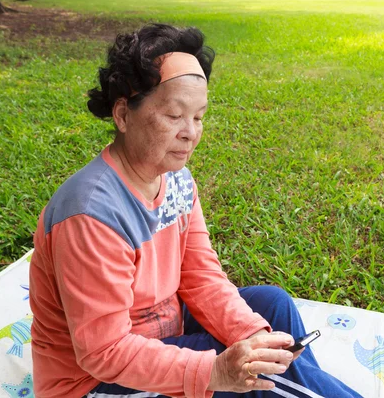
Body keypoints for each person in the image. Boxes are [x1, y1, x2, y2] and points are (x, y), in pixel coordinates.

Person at [29, 23, 362, 398]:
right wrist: (214, 370)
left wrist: (249, 334)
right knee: (254, 372)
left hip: (162, 330)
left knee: (271, 309)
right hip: (92, 382)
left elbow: (200, 274)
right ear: (123, 115)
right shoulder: (90, 214)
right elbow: (103, 351)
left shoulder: (177, 180)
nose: (191, 132)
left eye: (199, 116)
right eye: (174, 116)